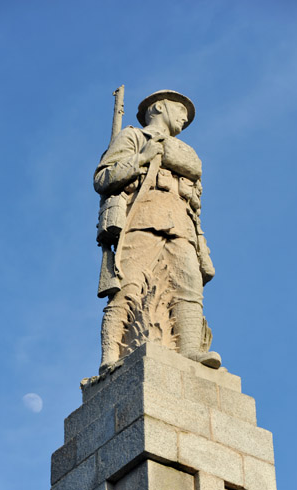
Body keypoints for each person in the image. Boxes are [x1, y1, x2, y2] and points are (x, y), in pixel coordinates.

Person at [94, 90, 221, 373]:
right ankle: (110, 356)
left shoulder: (187, 152)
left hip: (182, 224)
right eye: (179, 110)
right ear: (160, 107)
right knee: (127, 285)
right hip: (142, 216)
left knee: (188, 285)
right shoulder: (133, 137)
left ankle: (190, 350)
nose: (184, 118)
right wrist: (140, 158)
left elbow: (194, 177)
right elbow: (103, 178)